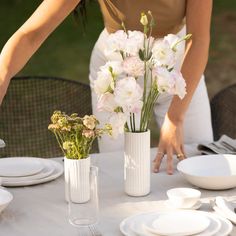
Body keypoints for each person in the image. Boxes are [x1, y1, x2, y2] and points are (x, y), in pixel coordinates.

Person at [0, 0, 213, 174]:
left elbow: (199, 39)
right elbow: (31, 34)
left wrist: (175, 118)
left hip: (178, 67)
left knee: (200, 163)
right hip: (116, 70)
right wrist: (2, 75)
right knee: (119, 171)